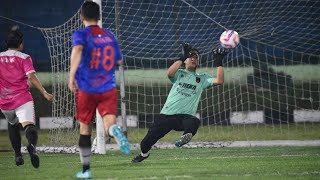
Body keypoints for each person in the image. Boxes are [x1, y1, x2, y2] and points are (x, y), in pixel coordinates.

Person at [132, 43, 227, 163]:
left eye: (196, 57)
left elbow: (220, 80)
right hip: (167, 115)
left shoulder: (202, 78)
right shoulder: (179, 73)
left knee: (194, 121)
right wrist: (181, 57)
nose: (193, 59)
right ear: (185, 60)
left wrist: (219, 61)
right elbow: (169, 73)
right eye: (190, 56)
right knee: (145, 143)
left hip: (184, 117)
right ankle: (143, 154)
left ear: (198, 61)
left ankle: (185, 137)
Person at [68, 1, 130, 179]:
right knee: (109, 124)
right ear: (100, 17)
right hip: (108, 88)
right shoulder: (109, 35)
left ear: (81, 17)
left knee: (85, 128)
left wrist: (71, 75)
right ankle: (115, 132)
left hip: (87, 88)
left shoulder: (81, 34)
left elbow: (78, 49)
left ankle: (86, 170)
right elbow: (119, 61)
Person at [0, 25, 54, 168]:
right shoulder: (24, 58)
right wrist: (44, 92)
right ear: (20, 44)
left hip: (4, 101)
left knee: (12, 125)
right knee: (29, 125)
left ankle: (18, 155)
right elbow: (32, 77)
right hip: (22, 98)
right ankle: (31, 146)